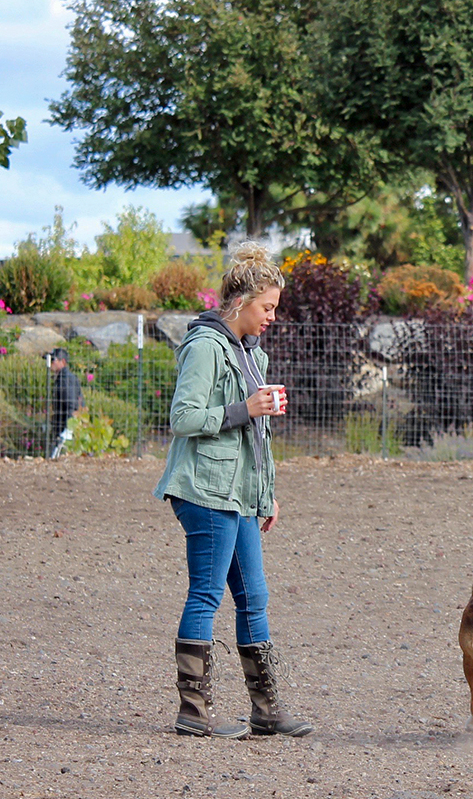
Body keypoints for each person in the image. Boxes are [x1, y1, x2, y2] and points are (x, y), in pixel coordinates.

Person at [153, 242, 312, 739]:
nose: (271, 317)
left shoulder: (250, 353)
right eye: (267, 307)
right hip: (203, 491)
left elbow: (253, 437)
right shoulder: (204, 347)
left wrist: (267, 494)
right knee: (205, 595)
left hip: (239, 494)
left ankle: (266, 710)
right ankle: (194, 712)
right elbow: (182, 419)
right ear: (241, 302)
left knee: (255, 597)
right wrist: (246, 408)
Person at [44, 348, 82, 459]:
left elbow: (72, 404)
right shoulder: (61, 378)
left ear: (63, 362)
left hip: (66, 427)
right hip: (61, 425)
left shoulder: (66, 379)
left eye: (53, 360)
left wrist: (68, 429)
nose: (51, 363)